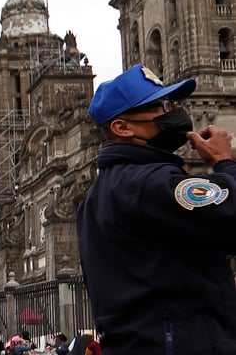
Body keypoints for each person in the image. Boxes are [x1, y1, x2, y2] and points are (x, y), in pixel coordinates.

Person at [78, 64, 236, 354]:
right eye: (163, 106)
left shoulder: (97, 195)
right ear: (122, 127)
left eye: (175, 102)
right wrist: (225, 163)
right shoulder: (148, 183)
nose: (175, 111)